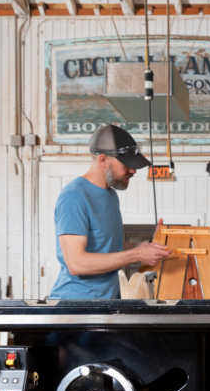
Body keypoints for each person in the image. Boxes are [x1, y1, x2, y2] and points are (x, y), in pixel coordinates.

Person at [50, 124, 171, 300]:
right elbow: (76, 263)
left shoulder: (110, 195)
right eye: (126, 165)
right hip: (76, 309)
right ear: (103, 160)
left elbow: (107, 245)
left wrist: (148, 245)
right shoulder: (74, 197)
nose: (133, 170)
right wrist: (137, 254)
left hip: (107, 306)